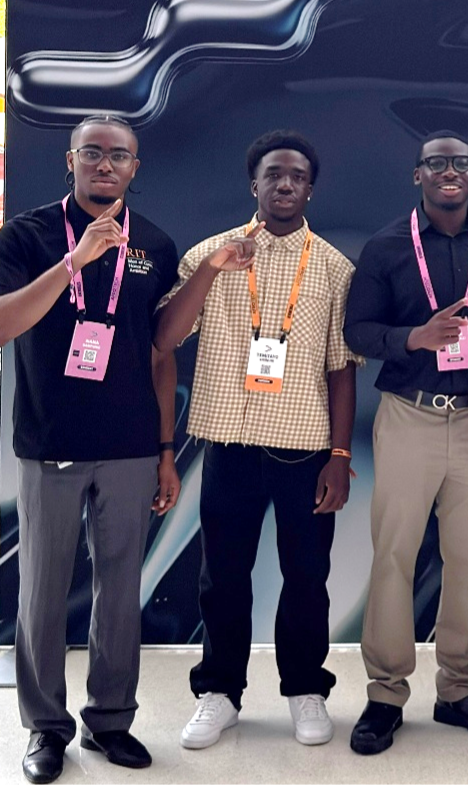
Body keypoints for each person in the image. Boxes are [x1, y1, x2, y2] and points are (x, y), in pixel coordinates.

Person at [0, 115, 180, 785]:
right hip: (51, 446)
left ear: (135, 167)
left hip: (127, 447)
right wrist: (76, 261)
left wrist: (163, 450)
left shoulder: (154, 243)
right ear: (70, 160)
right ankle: (45, 729)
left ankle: (111, 720)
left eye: (117, 156)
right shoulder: (28, 235)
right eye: (92, 153)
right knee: (39, 596)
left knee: (120, 592)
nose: (104, 165)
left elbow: (160, 355)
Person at [154, 130, 361, 751]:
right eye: (274, 174)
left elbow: (342, 369)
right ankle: (219, 693)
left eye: (297, 176)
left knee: (306, 576)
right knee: (223, 576)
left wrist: (341, 457)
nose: (285, 185)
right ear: (255, 184)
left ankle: (305, 689)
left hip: (306, 450)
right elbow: (165, 337)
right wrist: (216, 268)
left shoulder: (331, 267)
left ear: (310, 188)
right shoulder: (207, 255)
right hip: (231, 447)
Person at [342, 132, 468, 754]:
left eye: (460, 164)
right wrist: (413, 340)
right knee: (394, 557)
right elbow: (357, 331)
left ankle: (459, 691)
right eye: (435, 164)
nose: (448, 172)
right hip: (409, 418)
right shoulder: (385, 248)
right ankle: (385, 694)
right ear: (416, 176)